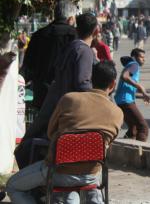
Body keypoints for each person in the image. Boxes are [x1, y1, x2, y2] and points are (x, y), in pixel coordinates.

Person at [6, 61, 123, 204]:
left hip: (57, 172)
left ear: (91, 79)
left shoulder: (69, 99)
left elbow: (51, 132)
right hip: (91, 175)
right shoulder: (117, 113)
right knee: (71, 194)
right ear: (113, 84)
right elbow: (106, 143)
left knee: (12, 186)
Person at [16, 13, 98, 168]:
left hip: (53, 102)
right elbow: (82, 83)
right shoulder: (84, 51)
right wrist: (98, 99)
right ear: (96, 31)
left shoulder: (71, 46)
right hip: (67, 110)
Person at [22, 0, 77, 109]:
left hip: (42, 95)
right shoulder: (75, 35)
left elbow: (28, 66)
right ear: (71, 19)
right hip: (67, 96)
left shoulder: (38, 35)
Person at [115, 48, 150, 141]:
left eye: (144, 57)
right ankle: (140, 153)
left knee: (133, 128)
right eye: (141, 57)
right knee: (143, 127)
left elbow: (126, 88)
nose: (144, 59)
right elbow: (124, 76)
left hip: (122, 100)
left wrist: (143, 95)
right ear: (134, 57)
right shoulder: (134, 65)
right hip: (125, 101)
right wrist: (140, 87)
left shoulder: (130, 65)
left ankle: (126, 148)